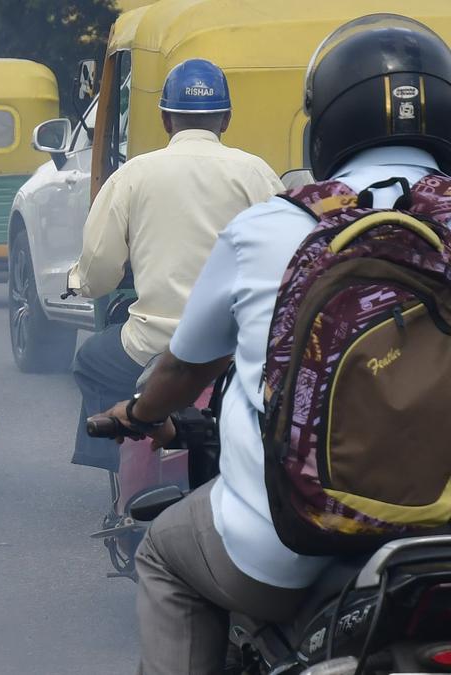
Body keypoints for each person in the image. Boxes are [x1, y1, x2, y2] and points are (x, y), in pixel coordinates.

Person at [94, 15, 451, 673]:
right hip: (441, 540)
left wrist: (139, 415)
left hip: (291, 545)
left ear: (326, 127)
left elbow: (182, 365)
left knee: (164, 555)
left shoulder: (272, 226)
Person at [67, 59, 283, 473]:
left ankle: (118, 468)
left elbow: (99, 270)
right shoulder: (257, 173)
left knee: (92, 359)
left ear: (165, 119)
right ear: (227, 119)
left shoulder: (132, 175)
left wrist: (80, 283)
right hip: (237, 350)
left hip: (150, 346)